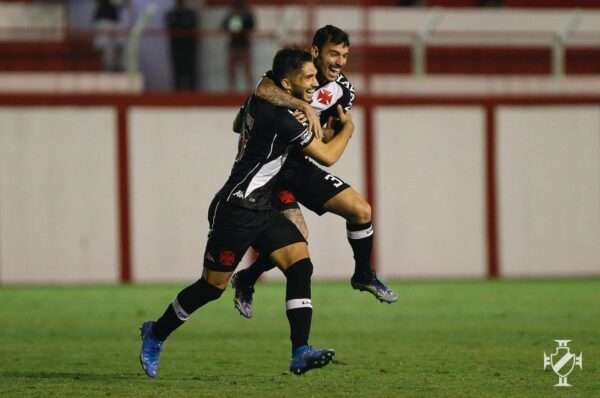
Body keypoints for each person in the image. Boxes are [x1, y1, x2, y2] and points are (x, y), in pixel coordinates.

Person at [139, 48, 355, 378]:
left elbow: (256, 98)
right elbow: (327, 155)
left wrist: (303, 106)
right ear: (287, 83)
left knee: (300, 264)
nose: (314, 83)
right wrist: (348, 129)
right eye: (308, 77)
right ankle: (155, 332)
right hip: (236, 210)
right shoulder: (282, 118)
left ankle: (300, 351)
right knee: (211, 288)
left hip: (263, 207)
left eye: (315, 76)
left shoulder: (266, 101)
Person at [230, 25, 398, 320]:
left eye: (345, 55)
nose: (340, 61)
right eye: (334, 53)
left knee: (361, 211)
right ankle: (247, 278)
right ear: (316, 51)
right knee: (298, 238)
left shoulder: (343, 90)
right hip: (273, 167)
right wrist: (303, 108)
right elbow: (263, 90)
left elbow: (328, 138)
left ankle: (364, 275)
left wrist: (333, 132)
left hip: (300, 163)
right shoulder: (296, 69)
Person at [222, 0, 255, 91]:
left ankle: (250, 90)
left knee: (247, 69)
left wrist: (243, 24)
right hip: (234, 44)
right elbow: (224, 25)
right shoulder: (231, 12)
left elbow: (252, 25)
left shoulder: (247, 12)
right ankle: (232, 89)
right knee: (231, 69)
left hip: (244, 44)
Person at [165, 0, 198, 91]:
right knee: (177, 71)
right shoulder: (171, 14)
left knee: (190, 71)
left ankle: (193, 93)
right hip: (176, 47)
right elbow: (171, 26)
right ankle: (178, 92)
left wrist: (181, 26)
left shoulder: (191, 13)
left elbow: (192, 26)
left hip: (189, 47)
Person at [93, 0, 126, 72]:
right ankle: (105, 68)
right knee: (103, 46)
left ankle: (117, 66)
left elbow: (122, 4)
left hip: (115, 20)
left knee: (120, 44)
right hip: (103, 20)